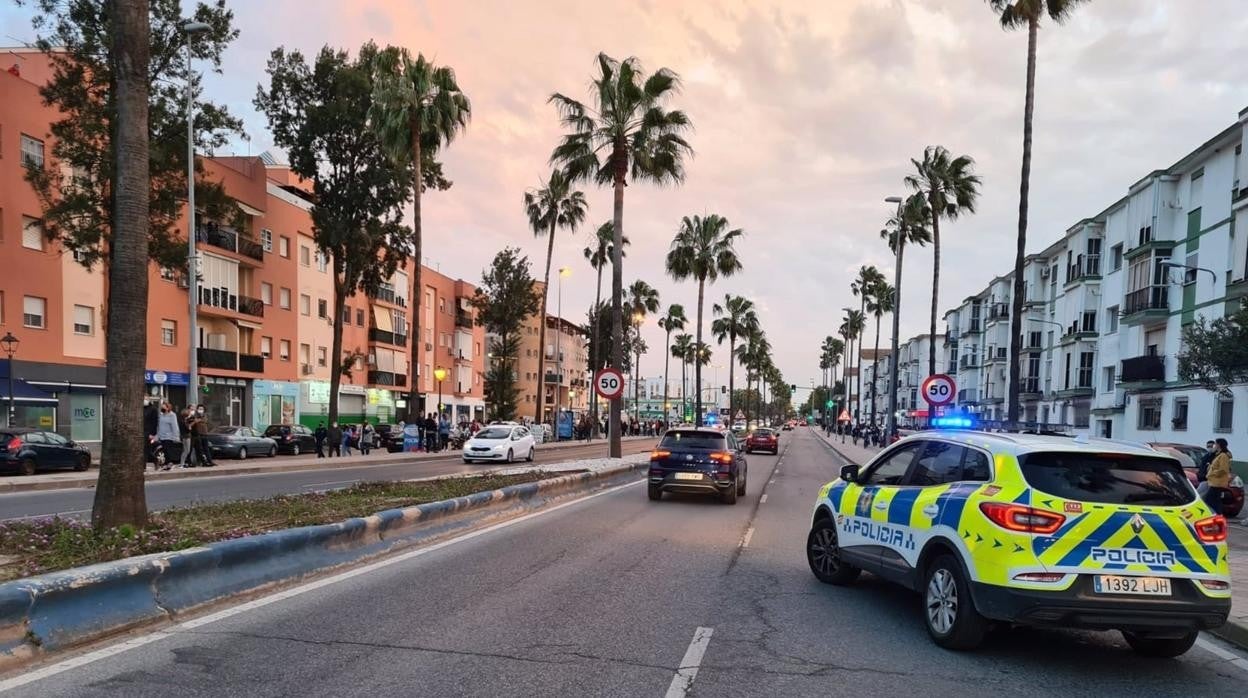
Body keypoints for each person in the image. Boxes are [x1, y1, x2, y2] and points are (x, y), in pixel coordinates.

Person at [1205, 438, 1233, 515]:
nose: (1214, 446)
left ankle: (1215, 515)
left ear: (1219, 445)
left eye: (1215, 444)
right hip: (1215, 482)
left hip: (1217, 483)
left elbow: (1223, 470)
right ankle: (1218, 516)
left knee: (1209, 500)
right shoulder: (1219, 455)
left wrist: (1212, 473)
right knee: (1216, 501)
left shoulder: (1223, 456)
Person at [155, 401, 181, 471]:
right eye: (162, 407)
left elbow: (174, 426)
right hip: (162, 436)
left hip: (169, 436)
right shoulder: (161, 415)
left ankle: (170, 463)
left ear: (168, 408)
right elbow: (159, 426)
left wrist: (176, 436)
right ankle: (167, 464)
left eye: (164, 407)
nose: (162, 408)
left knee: (168, 450)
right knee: (164, 450)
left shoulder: (172, 415)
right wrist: (157, 435)